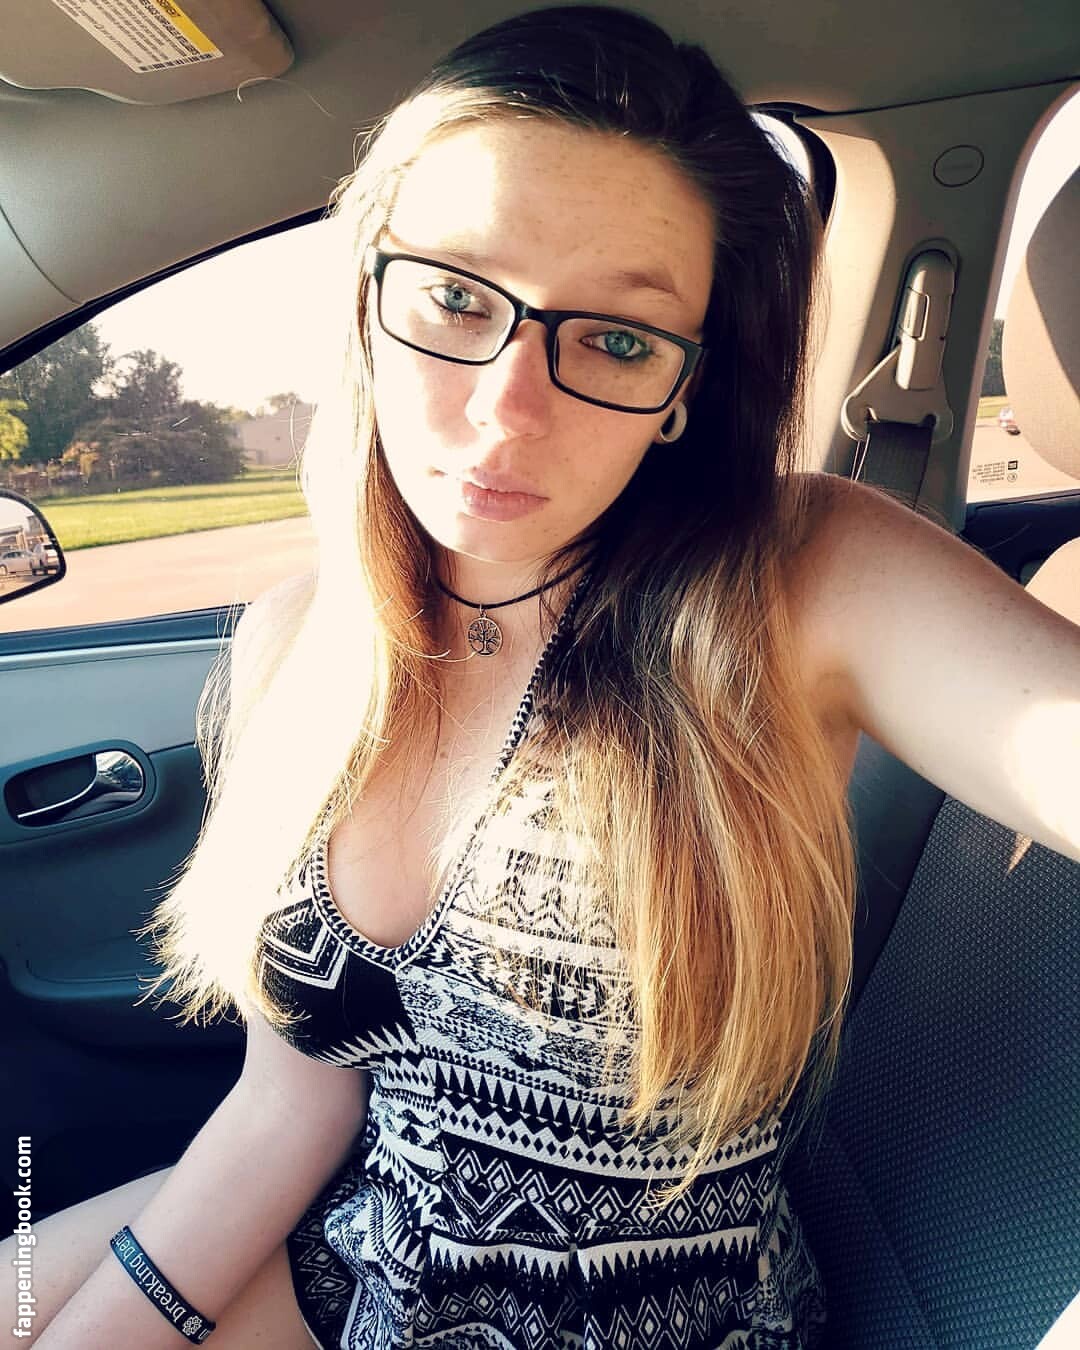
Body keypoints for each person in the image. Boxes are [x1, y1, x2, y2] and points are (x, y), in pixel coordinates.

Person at [6, 6, 1078, 1349]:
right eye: (457, 296)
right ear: (369, 299)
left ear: (685, 390)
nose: (507, 408)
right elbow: (289, 1104)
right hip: (369, 1256)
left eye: (618, 339)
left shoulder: (798, 581)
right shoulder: (293, 645)